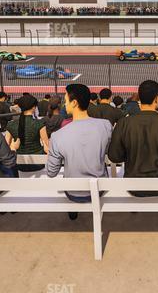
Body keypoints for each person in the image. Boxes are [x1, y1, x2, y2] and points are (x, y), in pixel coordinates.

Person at [108, 80, 158, 197]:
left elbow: (114, 156)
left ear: (139, 98)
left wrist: (131, 155)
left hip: (132, 185)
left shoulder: (124, 122)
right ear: (157, 99)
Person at [47, 83, 112, 219]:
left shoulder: (58, 135)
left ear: (74, 103)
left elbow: (51, 173)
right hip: (99, 188)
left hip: (73, 192)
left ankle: (73, 209)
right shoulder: (105, 125)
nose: (64, 104)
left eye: (66, 101)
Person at [5, 94, 48, 171]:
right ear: (34, 107)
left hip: (18, 165)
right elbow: (46, 147)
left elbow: (6, 146)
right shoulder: (40, 123)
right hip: (38, 164)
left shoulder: (11, 124)